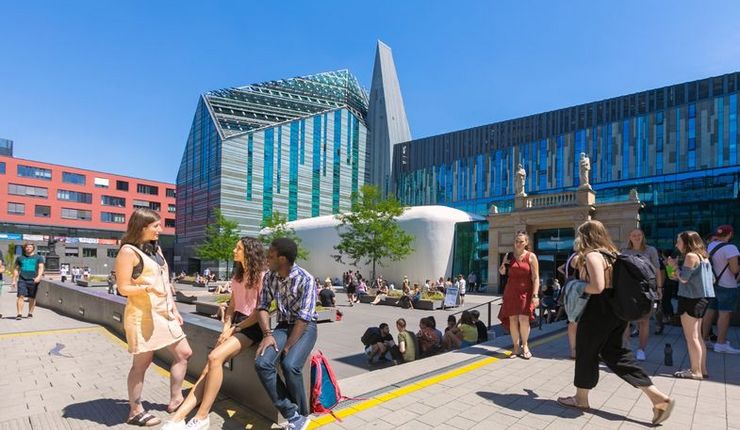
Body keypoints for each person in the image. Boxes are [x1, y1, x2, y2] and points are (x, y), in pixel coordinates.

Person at [557, 220, 674, 426]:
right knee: (616, 354)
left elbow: (597, 287)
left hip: (597, 310)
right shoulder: (612, 254)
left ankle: (581, 399)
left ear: (585, 236)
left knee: (586, 352)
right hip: (616, 310)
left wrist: (576, 286)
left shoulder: (593, 255)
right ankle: (658, 398)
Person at [162, 237, 266, 430]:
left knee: (214, 358)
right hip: (236, 324)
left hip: (252, 326)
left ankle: (202, 416)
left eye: (238, 248)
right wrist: (226, 327)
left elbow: (259, 312)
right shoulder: (237, 276)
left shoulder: (262, 276)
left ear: (250, 252)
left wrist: (235, 329)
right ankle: (178, 418)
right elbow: (233, 306)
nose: (234, 250)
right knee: (206, 370)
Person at [115, 209, 192, 427]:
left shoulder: (156, 250)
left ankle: (176, 398)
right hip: (143, 316)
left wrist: (174, 309)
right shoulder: (128, 252)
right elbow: (123, 287)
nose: (160, 229)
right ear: (142, 227)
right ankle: (135, 411)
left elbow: (165, 283)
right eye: (156, 226)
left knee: (184, 352)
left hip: (164, 313)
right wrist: (147, 288)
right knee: (142, 363)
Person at [255, 238, 317, 430]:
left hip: (305, 327)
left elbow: (304, 318)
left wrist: (288, 347)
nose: (267, 259)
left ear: (282, 259)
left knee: (290, 365)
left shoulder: (306, 279)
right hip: (282, 326)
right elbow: (262, 306)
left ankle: (303, 415)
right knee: (262, 363)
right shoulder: (269, 277)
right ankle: (292, 413)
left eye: (270, 256)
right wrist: (267, 334)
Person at [666, 231, 715, 379]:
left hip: (690, 298)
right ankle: (702, 369)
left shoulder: (690, 256)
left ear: (688, 243)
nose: (676, 244)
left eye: (679, 241)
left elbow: (683, 279)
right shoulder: (704, 256)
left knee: (691, 337)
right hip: (702, 298)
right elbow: (675, 277)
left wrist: (673, 266)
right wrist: (673, 269)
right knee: (698, 336)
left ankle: (695, 371)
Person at [621, 228, 662, 362]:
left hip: (647, 289)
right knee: (625, 320)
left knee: (644, 320)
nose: (637, 237)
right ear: (630, 237)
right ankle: (626, 348)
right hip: (629, 290)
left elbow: (657, 269)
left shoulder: (651, 250)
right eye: (634, 235)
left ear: (643, 236)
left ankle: (641, 350)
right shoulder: (624, 251)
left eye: (639, 235)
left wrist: (659, 287)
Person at [497, 231, 540, 359]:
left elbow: (536, 277)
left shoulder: (531, 257)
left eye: (521, 241)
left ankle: (525, 345)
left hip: (526, 292)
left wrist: (535, 295)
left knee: (524, 319)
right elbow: (503, 272)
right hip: (511, 291)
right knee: (513, 320)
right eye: (516, 241)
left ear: (526, 242)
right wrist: (502, 269)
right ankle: (516, 348)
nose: (518, 243)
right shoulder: (509, 255)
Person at [702, 225, 740, 354]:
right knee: (725, 314)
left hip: (713, 284)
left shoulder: (711, 246)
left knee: (710, 312)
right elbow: (734, 270)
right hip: (727, 285)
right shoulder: (731, 248)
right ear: (730, 234)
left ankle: (704, 339)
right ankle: (721, 343)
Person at [12, 243, 45, 320]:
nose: (28, 248)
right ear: (25, 248)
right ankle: (19, 313)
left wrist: (39, 276)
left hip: (33, 280)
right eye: (27, 247)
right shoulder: (20, 258)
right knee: (20, 296)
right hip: (22, 279)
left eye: (30, 247)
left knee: (32, 298)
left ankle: (30, 313)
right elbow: (16, 269)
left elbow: (41, 267)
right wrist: (13, 280)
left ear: (33, 248)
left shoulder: (38, 257)